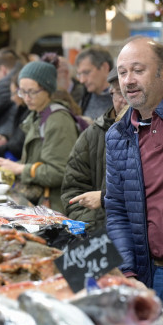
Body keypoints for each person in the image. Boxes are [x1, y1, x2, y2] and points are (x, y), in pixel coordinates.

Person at [105, 36, 163, 321]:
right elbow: (117, 210)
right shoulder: (117, 135)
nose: (128, 80)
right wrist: (128, 271)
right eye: (122, 72)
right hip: (153, 275)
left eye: (138, 70)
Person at [0, 61, 81, 212]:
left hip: (55, 206)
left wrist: (20, 168)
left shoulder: (58, 120)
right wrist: (9, 167)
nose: (26, 98)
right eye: (22, 92)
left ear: (47, 89)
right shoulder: (37, 115)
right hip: (41, 204)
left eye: (32, 92)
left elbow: (59, 172)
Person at [61, 68, 126, 231]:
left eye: (131, 90)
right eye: (119, 92)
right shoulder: (94, 134)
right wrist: (95, 228)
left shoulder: (158, 132)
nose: (126, 99)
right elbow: (73, 190)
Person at [0, 77, 28, 161]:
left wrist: (0, 150)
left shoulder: (29, 112)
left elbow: (19, 144)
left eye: (14, 93)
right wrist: (5, 137)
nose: (12, 98)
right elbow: (19, 136)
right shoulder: (22, 109)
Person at [76, 46, 115, 120]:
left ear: (105, 67)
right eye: (79, 74)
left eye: (86, 72)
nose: (82, 80)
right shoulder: (84, 97)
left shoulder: (123, 99)